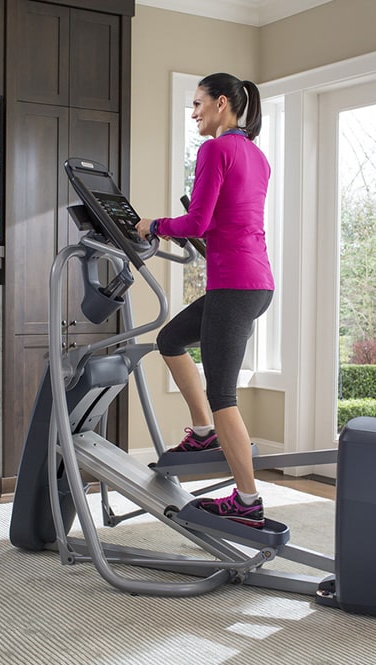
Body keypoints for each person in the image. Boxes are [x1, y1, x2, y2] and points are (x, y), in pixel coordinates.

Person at [135, 73, 273, 528]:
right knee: (171, 339)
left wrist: (152, 225)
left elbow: (196, 222)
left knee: (223, 395)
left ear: (220, 103)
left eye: (197, 104)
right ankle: (201, 434)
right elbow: (226, 220)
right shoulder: (256, 155)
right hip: (254, 281)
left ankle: (248, 502)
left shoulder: (215, 149)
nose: (193, 113)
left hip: (234, 286)